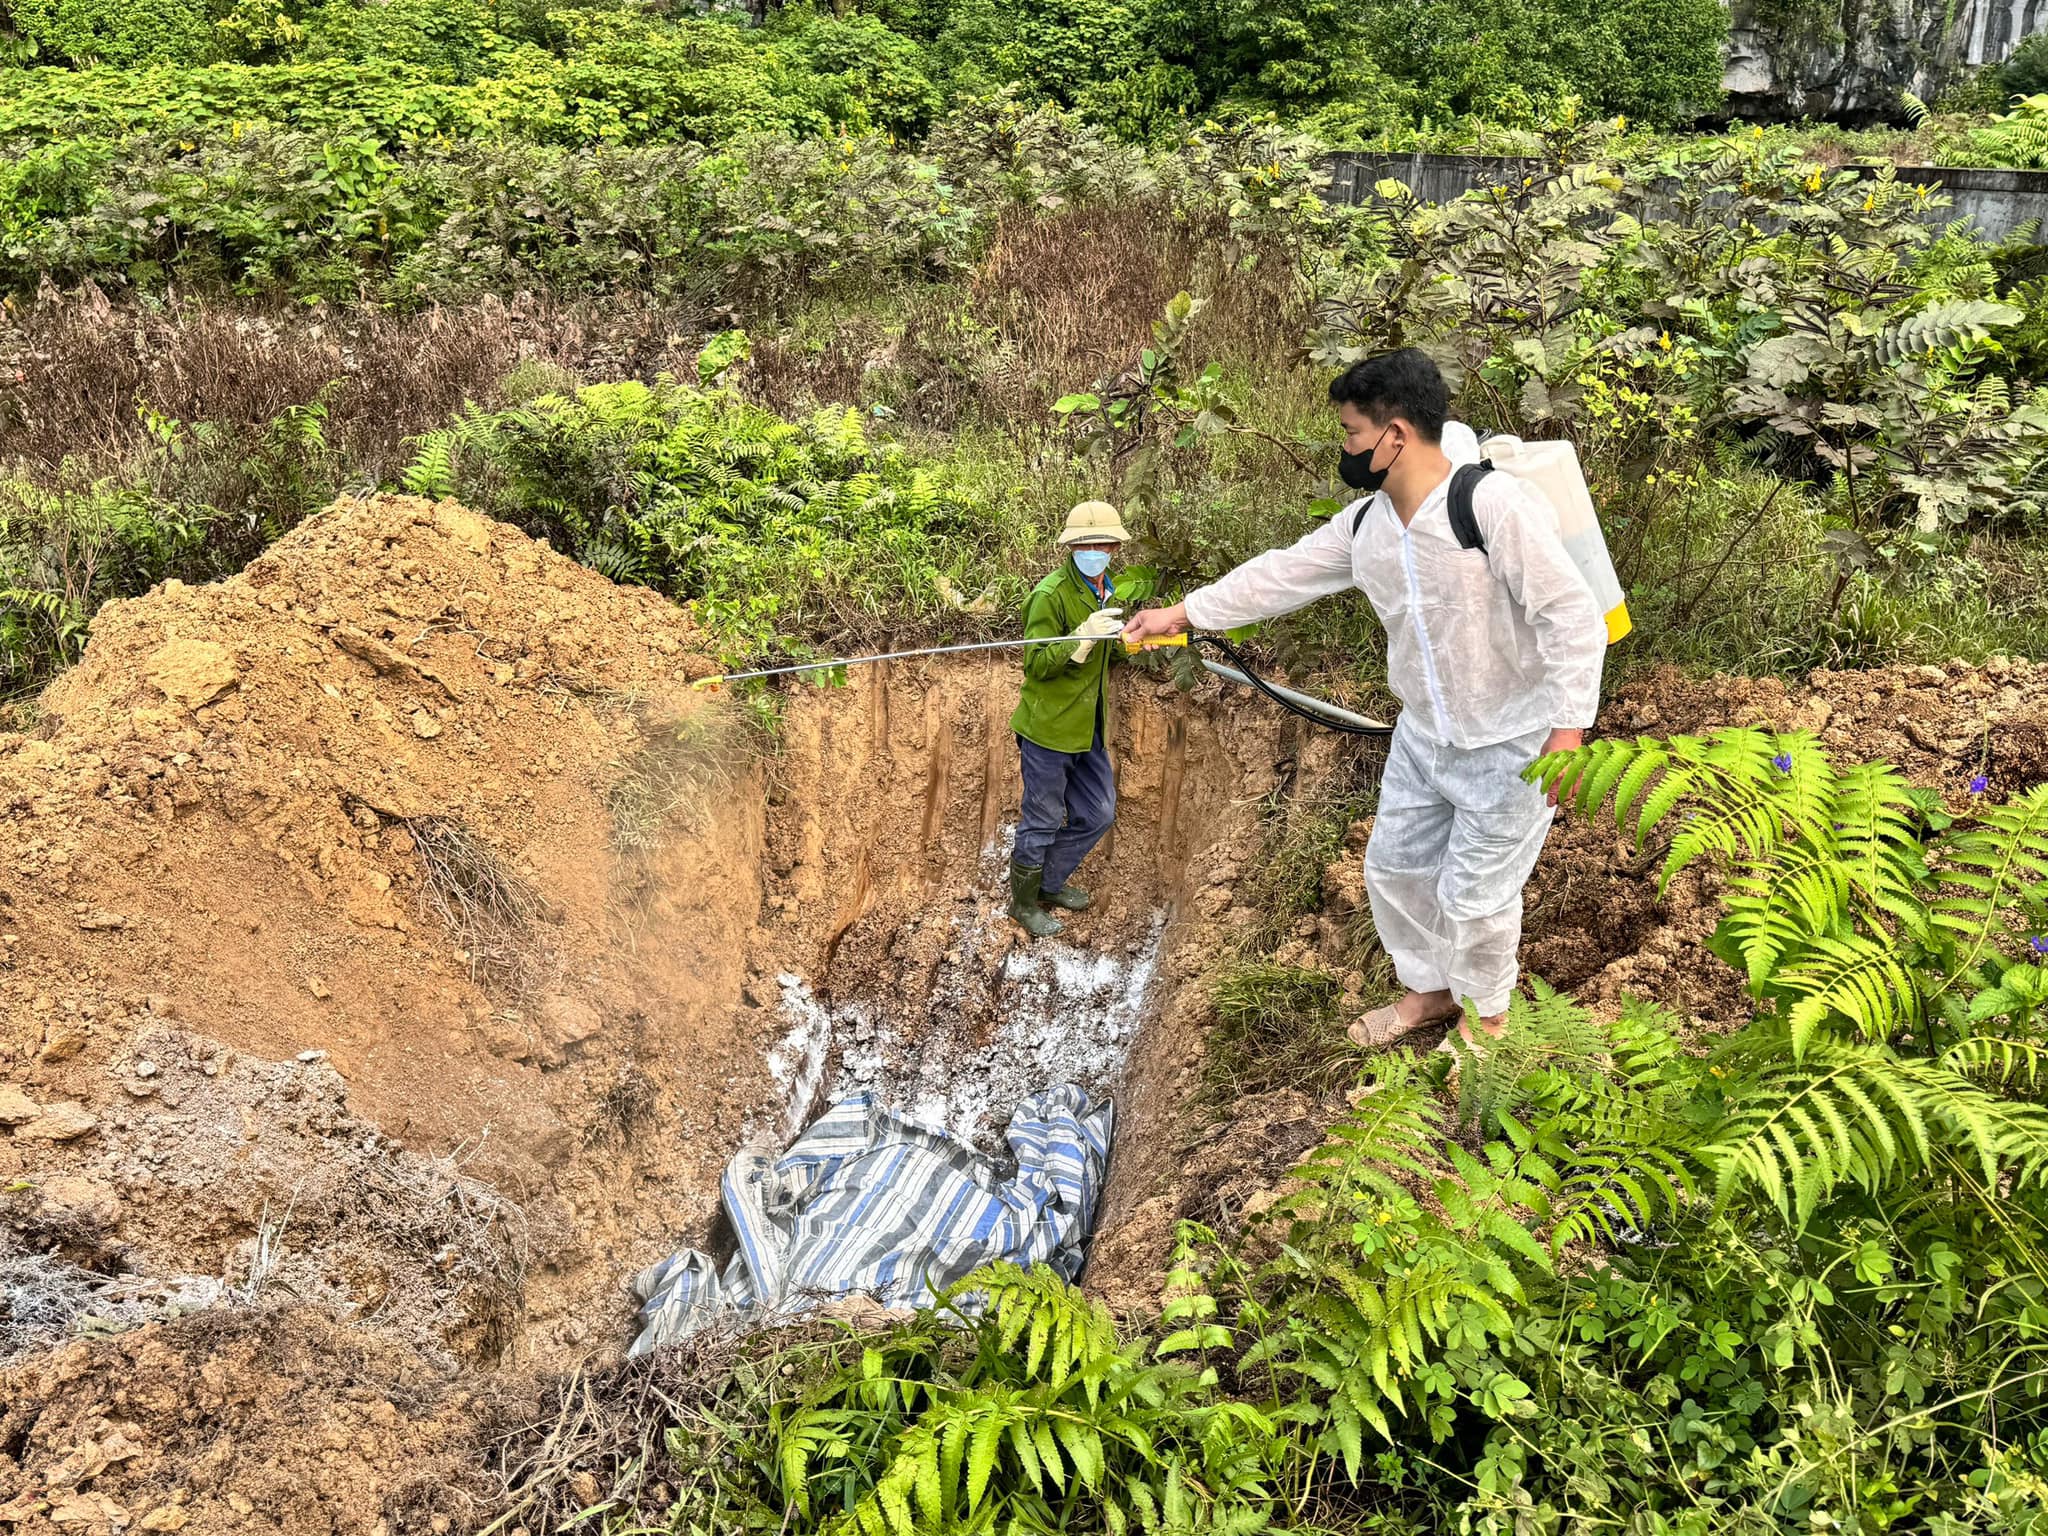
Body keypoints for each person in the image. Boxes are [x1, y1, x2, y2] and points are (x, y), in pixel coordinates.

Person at [1120, 350, 1606, 1053]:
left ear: (1397, 435)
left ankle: (1487, 1022)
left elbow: (1571, 616)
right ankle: (1434, 991)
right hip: (1425, 736)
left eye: (1351, 434)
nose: (1345, 449)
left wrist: (1568, 734)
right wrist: (1186, 612)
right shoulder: (1370, 525)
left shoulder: (1489, 507)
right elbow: (1282, 574)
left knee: (1476, 898)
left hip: (1515, 742)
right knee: (1396, 869)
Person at [1006, 501, 1134, 939]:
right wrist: (1079, 641)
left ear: (1115, 547)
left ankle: (1047, 883)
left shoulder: (1109, 590)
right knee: (1041, 817)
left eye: (1103, 543)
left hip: (1087, 728)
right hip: (1048, 730)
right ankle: (1022, 903)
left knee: (1099, 812)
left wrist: (1132, 643)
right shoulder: (1050, 594)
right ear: (1072, 547)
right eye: (1086, 543)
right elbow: (1037, 664)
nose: (1095, 549)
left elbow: (1110, 652)